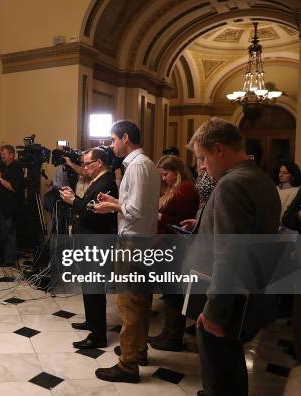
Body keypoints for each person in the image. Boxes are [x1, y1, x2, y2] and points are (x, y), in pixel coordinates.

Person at [189, 118, 280, 395]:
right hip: (247, 293)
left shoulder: (231, 184)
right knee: (230, 365)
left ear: (219, 150)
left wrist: (215, 311)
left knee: (220, 375)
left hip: (227, 301)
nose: (203, 167)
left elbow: (228, 253)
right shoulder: (260, 178)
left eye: (203, 158)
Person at [93, 120, 160, 383]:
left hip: (133, 243)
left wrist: (111, 208)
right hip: (141, 241)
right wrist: (114, 201)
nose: (111, 145)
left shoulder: (138, 166)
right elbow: (134, 205)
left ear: (125, 137)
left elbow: (135, 211)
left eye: (113, 140)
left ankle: (128, 365)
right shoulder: (142, 164)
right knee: (140, 301)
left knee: (129, 304)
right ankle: (138, 351)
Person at [59, 147, 118, 349]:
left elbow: (95, 214)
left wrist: (73, 201)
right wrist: (74, 198)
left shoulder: (107, 182)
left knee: (95, 288)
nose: (84, 167)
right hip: (88, 240)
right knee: (88, 285)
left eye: (87, 164)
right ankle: (92, 322)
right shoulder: (98, 180)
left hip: (97, 241)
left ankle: (98, 335)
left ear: (99, 163)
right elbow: (88, 204)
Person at [149, 155, 199, 352]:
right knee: (169, 293)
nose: (164, 178)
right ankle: (168, 333)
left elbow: (182, 221)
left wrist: (160, 216)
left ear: (177, 171)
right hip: (165, 245)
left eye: (166, 174)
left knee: (173, 294)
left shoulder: (185, 189)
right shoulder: (175, 189)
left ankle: (173, 337)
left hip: (174, 247)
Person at [0, 145, 23, 267]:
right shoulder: (2, 166)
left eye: (4, 153)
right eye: (1, 153)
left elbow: (13, 187)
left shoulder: (16, 168)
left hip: (10, 206)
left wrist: (0, 178)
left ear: (11, 155)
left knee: (8, 232)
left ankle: (9, 260)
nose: (2, 155)